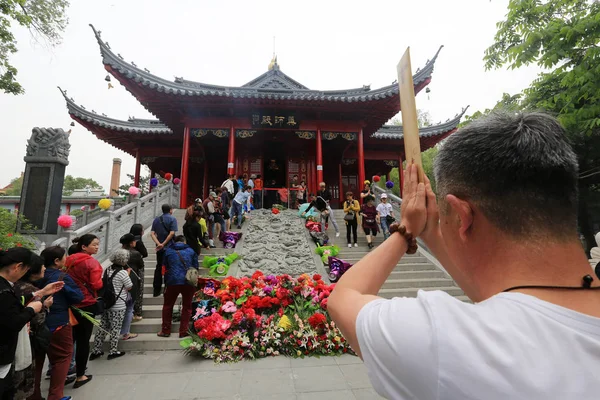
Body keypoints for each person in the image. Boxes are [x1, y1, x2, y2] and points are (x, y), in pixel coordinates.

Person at [328, 112, 600, 400]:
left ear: (462, 216)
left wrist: (406, 229)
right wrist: (432, 232)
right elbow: (501, 295)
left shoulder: (447, 342)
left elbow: (343, 297)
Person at [0, 248, 63, 400]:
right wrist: (31, 310)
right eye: (26, 269)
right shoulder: (3, 291)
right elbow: (12, 322)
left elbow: (16, 303)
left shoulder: (6, 286)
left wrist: (39, 293)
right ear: (17, 267)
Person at [37, 246, 83, 400]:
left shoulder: (34, 276)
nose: (66, 259)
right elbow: (78, 297)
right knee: (62, 358)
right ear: (56, 261)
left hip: (35, 322)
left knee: (37, 360)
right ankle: (56, 395)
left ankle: (34, 395)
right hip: (58, 322)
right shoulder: (61, 277)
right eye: (64, 257)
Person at [13, 254, 53, 400]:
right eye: (41, 266)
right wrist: (44, 307)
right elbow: (36, 320)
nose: (44, 268)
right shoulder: (29, 291)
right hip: (29, 340)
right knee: (31, 376)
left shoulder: (13, 287)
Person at [66, 234, 103, 389]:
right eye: (94, 244)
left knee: (69, 340)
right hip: (86, 303)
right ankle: (80, 375)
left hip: (69, 303)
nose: (97, 247)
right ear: (84, 246)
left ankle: (66, 371)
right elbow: (96, 284)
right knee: (83, 341)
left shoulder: (68, 260)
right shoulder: (91, 262)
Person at [90, 249, 133, 361]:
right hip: (118, 305)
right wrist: (128, 274)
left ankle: (96, 350)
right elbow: (129, 286)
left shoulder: (107, 269)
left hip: (107, 303)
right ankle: (113, 350)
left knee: (102, 327)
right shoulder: (123, 272)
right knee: (115, 328)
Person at [157, 236, 199, 338]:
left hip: (172, 281)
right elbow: (196, 266)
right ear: (184, 242)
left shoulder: (168, 251)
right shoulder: (191, 251)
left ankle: (165, 330)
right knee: (187, 307)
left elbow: (164, 267)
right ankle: (183, 331)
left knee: (168, 306)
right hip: (188, 281)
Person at [150, 204, 178, 297]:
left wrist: (159, 244)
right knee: (169, 268)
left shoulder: (156, 219)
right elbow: (172, 233)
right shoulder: (172, 219)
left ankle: (156, 290)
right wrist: (164, 243)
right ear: (170, 210)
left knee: (158, 267)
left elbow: (152, 234)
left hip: (159, 249)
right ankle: (167, 288)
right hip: (169, 247)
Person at [119, 233, 143, 333]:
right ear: (131, 243)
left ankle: (117, 329)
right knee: (129, 307)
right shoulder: (136, 253)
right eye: (134, 241)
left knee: (120, 306)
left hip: (119, 279)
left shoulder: (119, 253)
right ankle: (125, 332)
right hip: (131, 280)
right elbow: (141, 265)